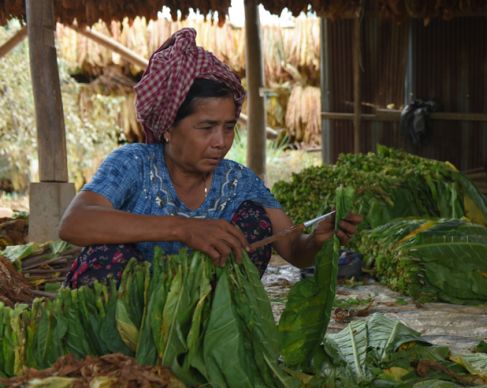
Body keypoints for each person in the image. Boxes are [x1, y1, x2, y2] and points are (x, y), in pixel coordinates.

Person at [59, 28, 361, 288]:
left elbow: (293, 248)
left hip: (211, 321)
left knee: (255, 221)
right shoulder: (134, 163)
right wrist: (182, 228)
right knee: (100, 257)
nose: (221, 142)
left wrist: (316, 241)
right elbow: (74, 223)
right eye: (206, 128)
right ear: (168, 128)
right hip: (131, 315)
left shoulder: (238, 182)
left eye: (228, 128)